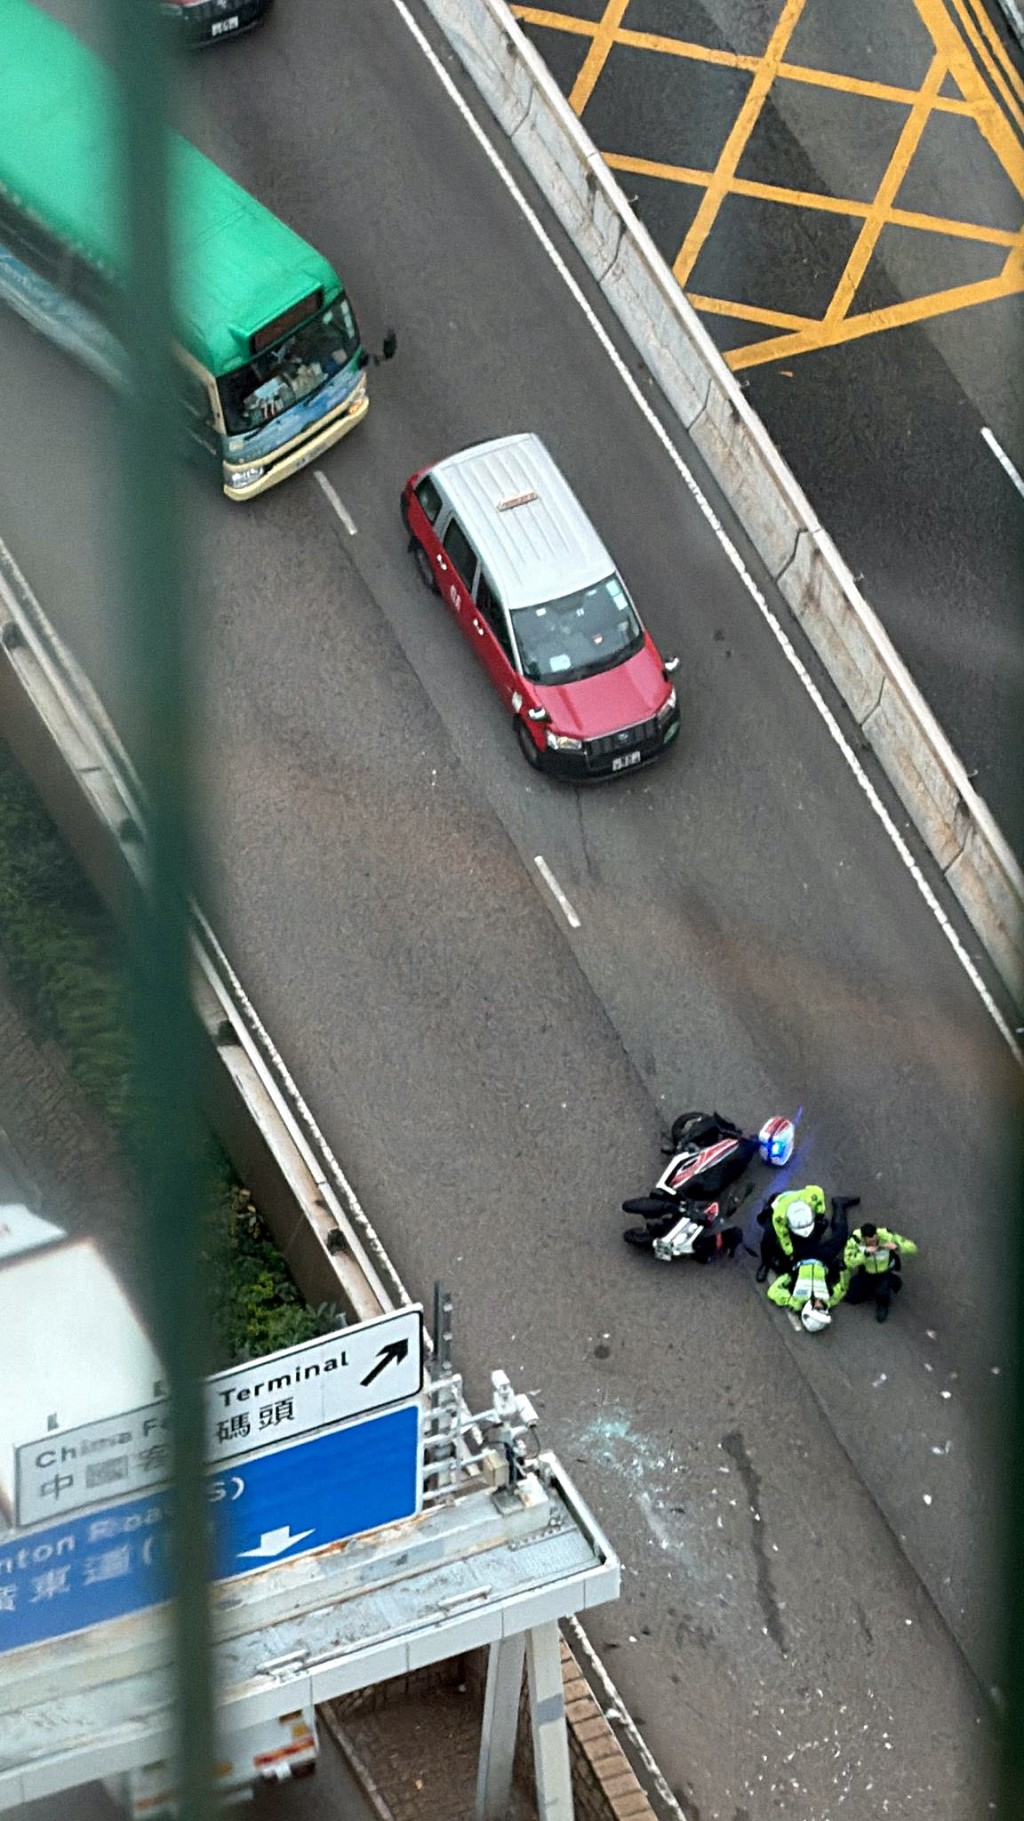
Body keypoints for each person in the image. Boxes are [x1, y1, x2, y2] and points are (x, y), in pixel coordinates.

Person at [842, 1221, 917, 1322]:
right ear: (863, 1238)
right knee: (852, 1297)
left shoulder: (886, 1236)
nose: (874, 1243)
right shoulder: (854, 1241)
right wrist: (865, 1254)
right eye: (870, 1242)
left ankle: (883, 1304)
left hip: (884, 1272)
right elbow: (849, 1262)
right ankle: (873, 1286)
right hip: (867, 1271)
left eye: (875, 1240)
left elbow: (912, 1247)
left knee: (882, 1292)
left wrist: (897, 1247)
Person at [766, 1256, 846, 1332]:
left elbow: (773, 1291)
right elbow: (842, 1289)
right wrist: (843, 1272)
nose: (821, 1305)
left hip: (801, 1260)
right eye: (823, 1309)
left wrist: (789, 1277)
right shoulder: (828, 1302)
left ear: (809, 1310)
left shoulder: (794, 1301)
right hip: (823, 1263)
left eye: (818, 1309)